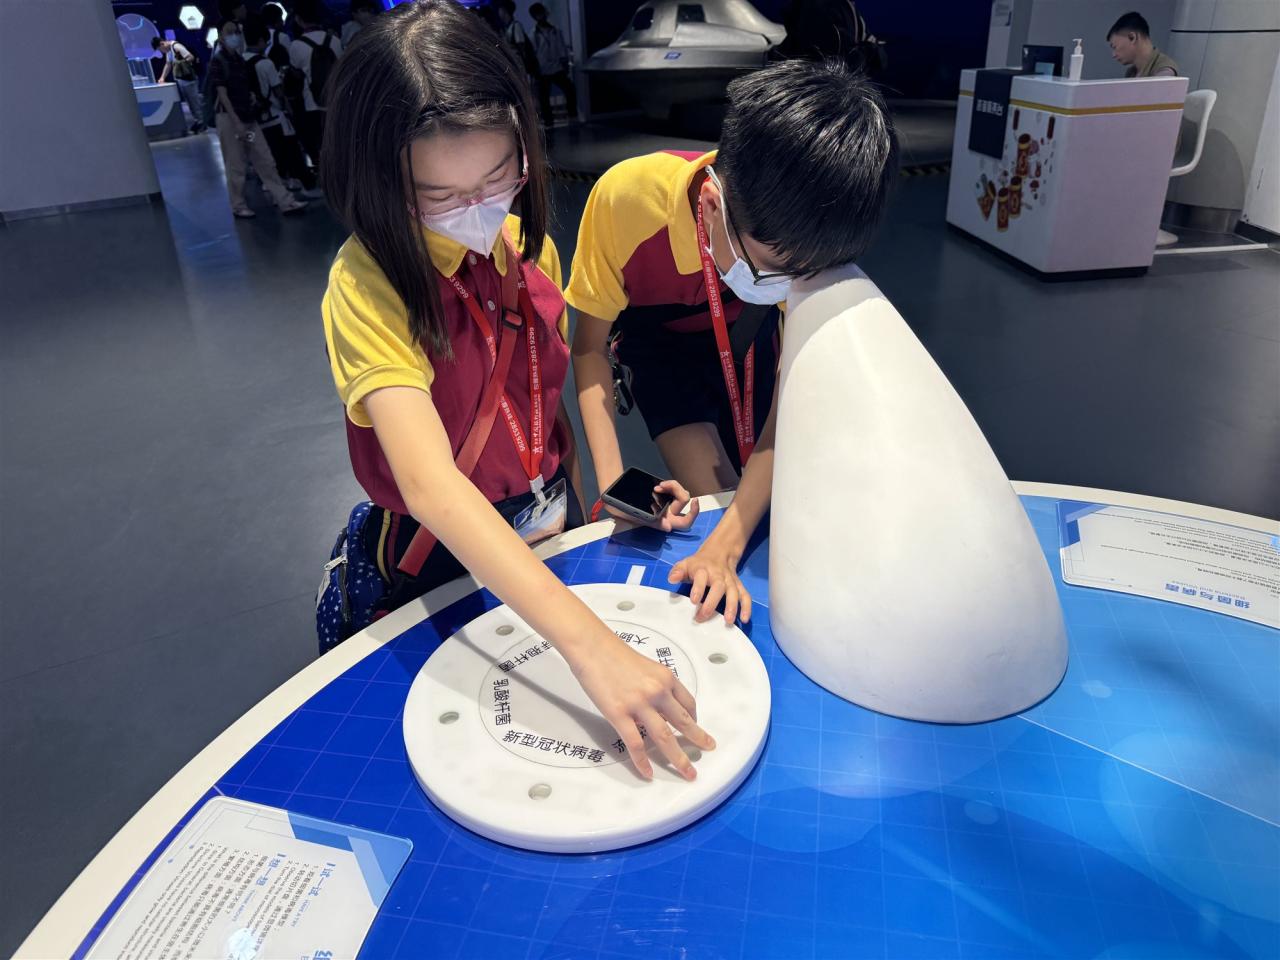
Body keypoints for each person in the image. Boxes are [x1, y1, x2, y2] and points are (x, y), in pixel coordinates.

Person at [317, 0, 713, 781]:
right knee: (475, 752)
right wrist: (592, 647)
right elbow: (431, 485)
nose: (478, 210)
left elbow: (539, 395)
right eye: (438, 195)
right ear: (379, 181)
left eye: (499, 176)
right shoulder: (367, 287)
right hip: (443, 548)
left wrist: (607, 494)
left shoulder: (525, 246)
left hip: (549, 512)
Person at [567, 59, 898, 624]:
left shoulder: (810, 247)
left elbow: (791, 396)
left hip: (753, 334)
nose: (791, 282)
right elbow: (588, 348)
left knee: (771, 506)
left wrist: (726, 544)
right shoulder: (626, 201)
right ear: (713, 206)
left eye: (805, 274)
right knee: (714, 486)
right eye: (772, 267)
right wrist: (615, 486)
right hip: (663, 344)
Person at [207, 20, 309, 219]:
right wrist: (236, 121)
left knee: (264, 159)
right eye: (229, 32)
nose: (234, 35)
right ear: (220, 35)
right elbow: (222, 94)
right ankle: (238, 205)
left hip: (247, 117)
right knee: (236, 164)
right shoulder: (219, 61)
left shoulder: (238, 59)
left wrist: (250, 100)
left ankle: (285, 200)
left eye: (237, 31)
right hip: (230, 120)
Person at [244, 17, 322, 197]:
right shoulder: (265, 63)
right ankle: (308, 186)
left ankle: (282, 186)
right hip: (276, 117)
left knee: (270, 155)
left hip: (256, 118)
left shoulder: (240, 61)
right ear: (261, 40)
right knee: (292, 152)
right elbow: (279, 92)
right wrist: (289, 109)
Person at [290, 0, 343, 172]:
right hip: (337, 99)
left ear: (298, 19)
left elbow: (296, 75)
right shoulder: (334, 40)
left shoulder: (296, 45)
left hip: (312, 103)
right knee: (340, 139)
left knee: (321, 143)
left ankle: (328, 174)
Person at [528, 3, 577, 125]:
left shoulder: (555, 31)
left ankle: (573, 116)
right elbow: (533, 54)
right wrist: (535, 71)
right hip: (543, 70)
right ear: (534, 16)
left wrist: (565, 65)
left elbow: (562, 49)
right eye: (537, 14)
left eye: (541, 13)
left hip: (557, 68)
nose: (540, 16)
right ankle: (549, 122)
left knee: (570, 89)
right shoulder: (533, 34)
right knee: (544, 98)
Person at [152, 36, 207, 133]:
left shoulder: (176, 46)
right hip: (181, 79)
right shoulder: (169, 51)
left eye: (160, 49)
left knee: (194, 101)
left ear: (162, 44)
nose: (161, 52)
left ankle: (202, 122)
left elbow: (190, 57)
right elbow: (168, 64)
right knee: (190, 102)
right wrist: (162, 77)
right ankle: (198, 120)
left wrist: (180, 63)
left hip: (189, 79)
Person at [1107, 12, 1178, 77]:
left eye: (1114, 47)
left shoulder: (1164, 70)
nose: (1114, 55)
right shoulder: (1131, 72)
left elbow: (1159, 84)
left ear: (1132, 38)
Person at [495, 0, 539, 83]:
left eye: (500, 10)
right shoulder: (507, 28)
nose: (499, 12)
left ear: (504, 10)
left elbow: (522, 48)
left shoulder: (516, 26)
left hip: (521, 68)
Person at [262, 2, 293, 70]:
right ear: (278, 20)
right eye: (281, 18)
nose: (282, 22)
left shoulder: (257, 34)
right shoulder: (282, 37)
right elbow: (291, 59)